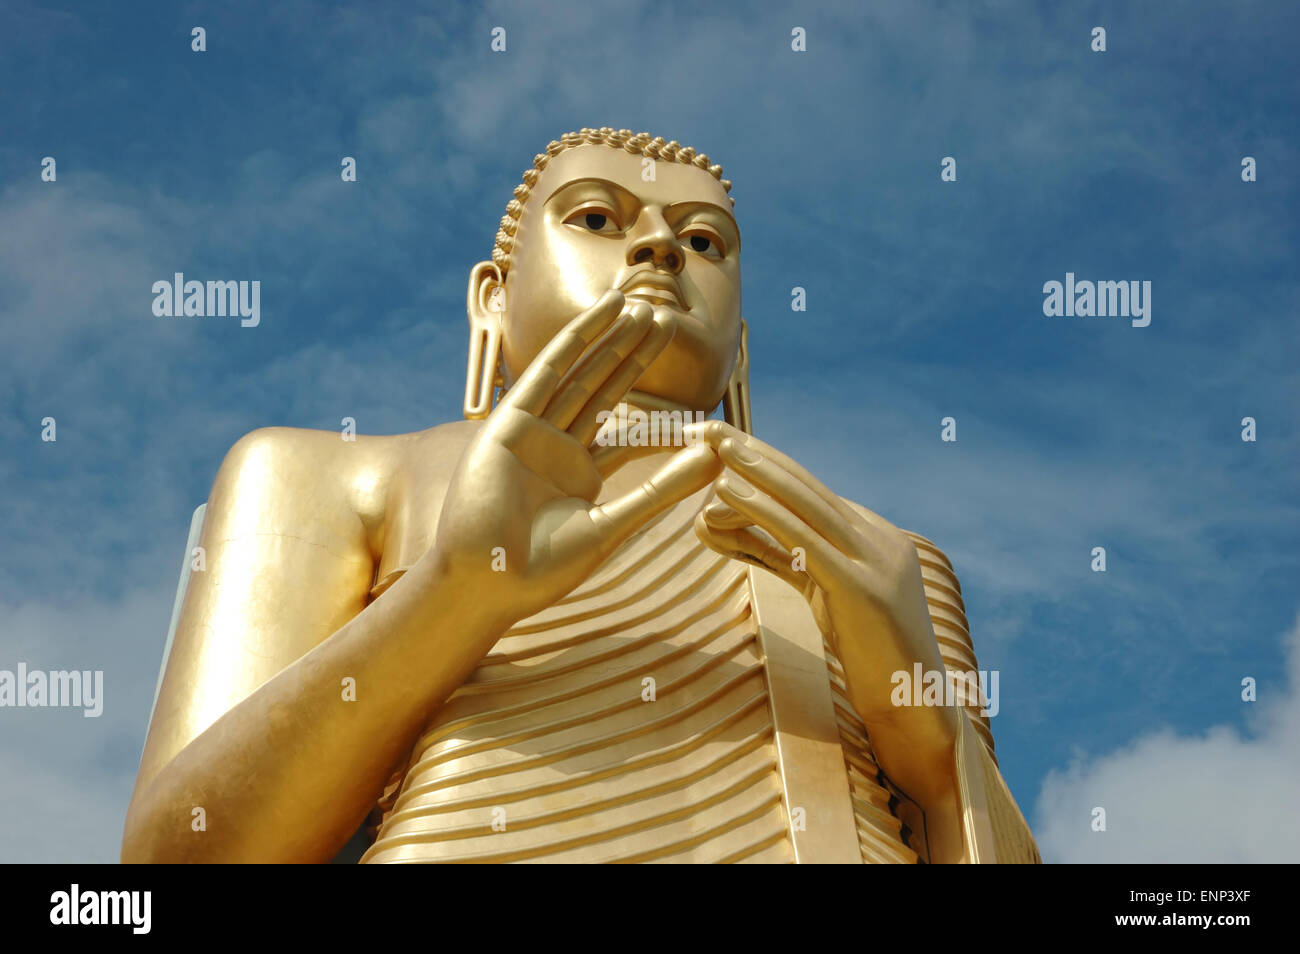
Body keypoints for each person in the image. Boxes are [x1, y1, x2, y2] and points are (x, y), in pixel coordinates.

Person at [122, 128, 1038, 863]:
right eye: (598, 219)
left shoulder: (879, 557)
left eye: (704, 240)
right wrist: (456, 594)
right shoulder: (338, 474)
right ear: (492, 300)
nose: (659, 248)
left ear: (743, 348)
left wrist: (934, 751)